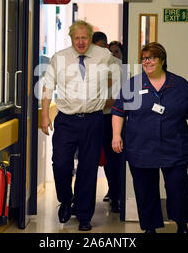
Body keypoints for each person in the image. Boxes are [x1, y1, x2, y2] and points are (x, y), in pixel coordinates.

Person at [111, 42, 188, 233]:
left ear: (162, 60)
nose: (147, 62)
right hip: (140, 147)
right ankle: (150, 227)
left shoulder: (180, 85)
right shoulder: (133, 84)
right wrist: (116, 135)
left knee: (177, 187)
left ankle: (181, 225)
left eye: (151, 58)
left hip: (175, 147)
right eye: (144, 59)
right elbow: (118, 112)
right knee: (145, 189)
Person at [41, 21, 119, 231]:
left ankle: (84, 216)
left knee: (88, 168)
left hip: (94, 119)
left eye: (85, 37)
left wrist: (105, 92)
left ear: (90, 38)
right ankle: (66, 199)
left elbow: (118, 75)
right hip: (66, 119)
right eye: (77, 38)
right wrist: (45, 115)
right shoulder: (61, 57)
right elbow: (48, 86)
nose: (81, 42)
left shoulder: (103, 56)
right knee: (61, 163)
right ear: (71, 38)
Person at [92, 33, 122, 213]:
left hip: (111, 118)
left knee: (113, 160)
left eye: (103, 46)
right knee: (88, 160)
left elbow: (119, 99)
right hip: (92, 117)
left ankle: (116, 196)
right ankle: (81, 202)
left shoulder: (117, 66)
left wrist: (95, 102)